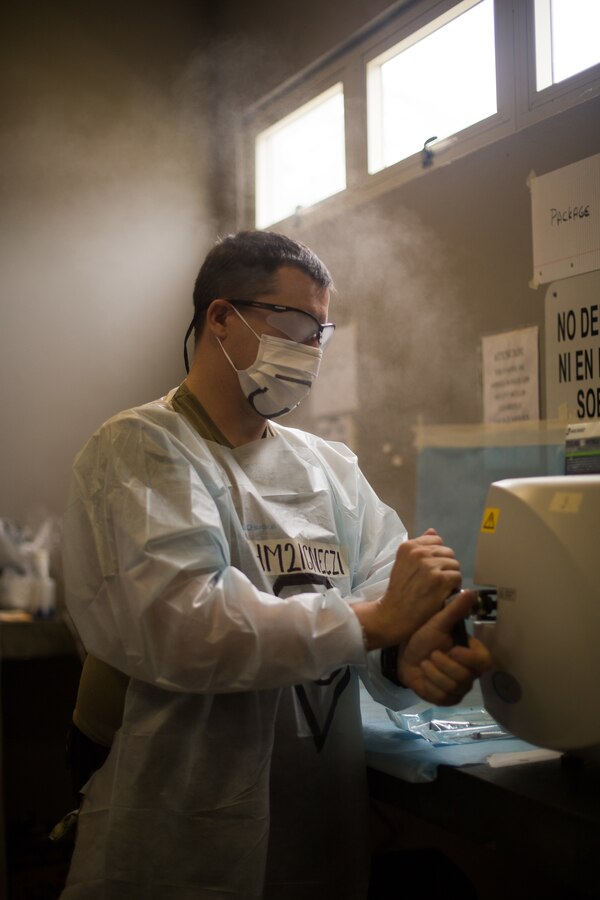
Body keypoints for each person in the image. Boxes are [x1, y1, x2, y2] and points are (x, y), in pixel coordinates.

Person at [60, 230, 491, 900]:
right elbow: (186, 624)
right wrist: (377, 623)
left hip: (318, 825)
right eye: (293, 324)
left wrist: (408, 654)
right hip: (181, 831)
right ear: (222, 319)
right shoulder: (141, 450)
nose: (309, 350)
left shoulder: (329, 468)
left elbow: (384, 584)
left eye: (320, 332)